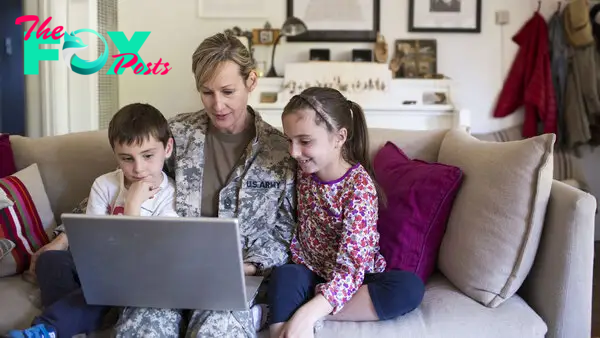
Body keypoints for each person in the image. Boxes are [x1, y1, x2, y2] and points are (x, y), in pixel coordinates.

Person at [113, 32, 297, 338]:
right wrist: (63, 238)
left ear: (251, 81)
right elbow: (123, 181)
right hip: (167, 273)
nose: (217, 104)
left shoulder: (281, 151)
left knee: (217, 329)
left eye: (227, 91)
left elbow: (288, 231)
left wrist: (248, 268)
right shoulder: (177, 134)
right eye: (207, 92)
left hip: (233, 284)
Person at [8, 103, 178, 338]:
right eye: (127, 158)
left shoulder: (171, 195)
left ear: (167, 148)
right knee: (51, 259)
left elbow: (144, 254)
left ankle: (51, 327)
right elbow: (90, 240)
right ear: (115, 155)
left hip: (133, 276)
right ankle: (79, 319)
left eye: (148, 156)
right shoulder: (105, 184)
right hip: (97, 265)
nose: (138, 168)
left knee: (112, 280)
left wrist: (132, 204)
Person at [268, 87, 426, 338]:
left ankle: (308, 310)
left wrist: (308, 313)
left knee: (409, 288)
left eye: (305, 141)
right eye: (289, 140)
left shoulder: (359, 188)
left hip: (353, 278)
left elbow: (353, 266)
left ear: (339, 137)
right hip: (308, 269)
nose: (293, 152)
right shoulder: (301, 171)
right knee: (285, 275)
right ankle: (299, 317)